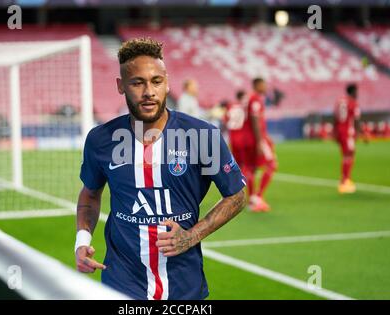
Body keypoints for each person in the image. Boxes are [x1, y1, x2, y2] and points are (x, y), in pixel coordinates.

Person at [75, 38, 247, 300]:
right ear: (121, 86)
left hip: (183, 287)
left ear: (167, 82)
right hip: (120, 285)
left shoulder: (202, 136)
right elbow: (90, 194)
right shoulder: (101, 139)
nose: (148, 92)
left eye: (156, 81)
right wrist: (82, 241)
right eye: (137, 83)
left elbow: (237, 195)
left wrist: (191, 236)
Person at [237, 79, 277, 212]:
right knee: (271, 164)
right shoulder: (255, 98)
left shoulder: (247, 97)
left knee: (250, 168)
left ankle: (253, 199)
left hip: (245, 136)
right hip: (255, 138)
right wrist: (260, 140)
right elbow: (255, 119)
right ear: (257, 85)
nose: (265, 86)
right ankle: (258, 197)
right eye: (263, 84)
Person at [333, 84, 360, 193]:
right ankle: (345, 181)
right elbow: (356, 119)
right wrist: (358, 133)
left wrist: (335, 132)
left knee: (346, 155)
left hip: (340, 130)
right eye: (356, 91)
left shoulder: (340, 101)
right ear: (353, 91)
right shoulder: (353, 102)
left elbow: (335, 117)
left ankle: (345, 179)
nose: (357, 94)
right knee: (349, 154)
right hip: (348, 131)